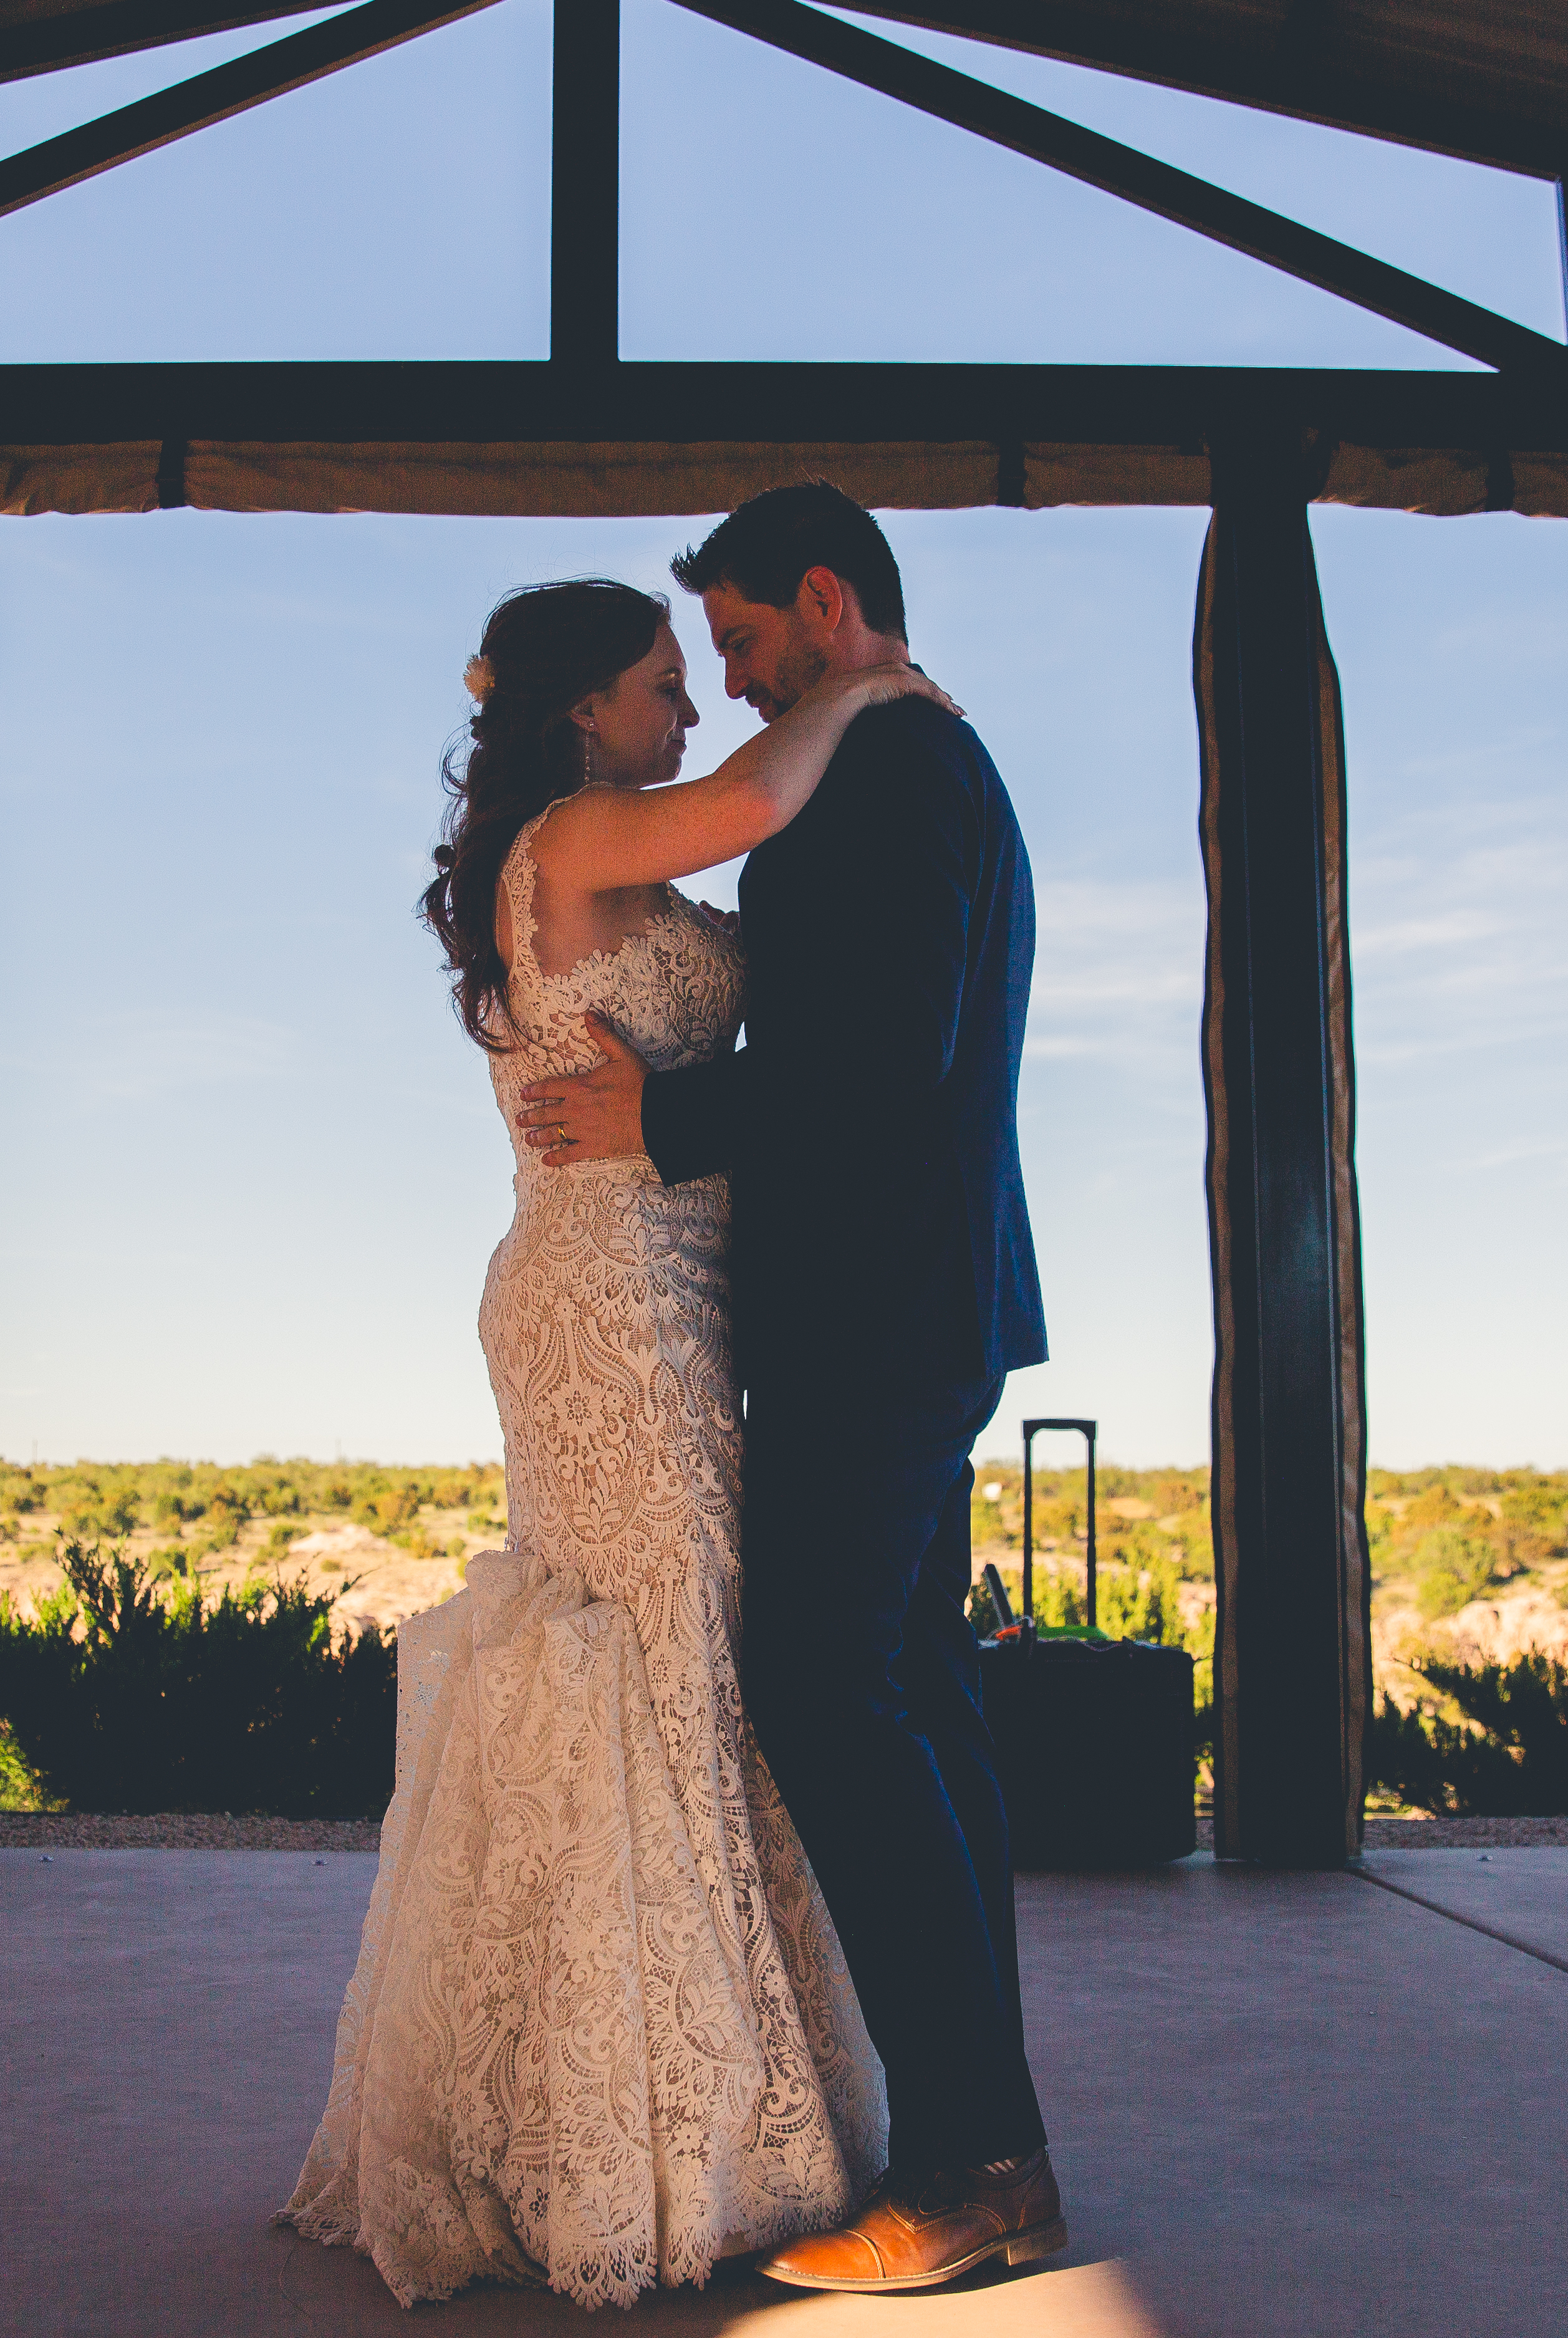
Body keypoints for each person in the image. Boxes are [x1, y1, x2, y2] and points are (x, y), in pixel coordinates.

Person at [282, 572, 963, 2308]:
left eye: (705, 676)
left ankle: (649, 2095)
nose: (695, 708)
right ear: (588, 708)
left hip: (663, 1281)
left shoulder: (608, 855)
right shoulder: (579, 829)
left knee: (684, 1663)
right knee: (669, 1657)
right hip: (610, 1298)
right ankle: (635, 2127)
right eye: (668, 681)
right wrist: (870, 691)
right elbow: (754, 798)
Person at [511, 482, 1060, 2295]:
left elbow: (870, 1053)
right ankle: (994, 2149)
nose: (736, 689)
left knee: (826, 1692)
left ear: (825, 602)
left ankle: (972, 2163)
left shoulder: (890, 775)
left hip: (871, 1308)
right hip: (917, 1297)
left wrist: (665, 1115)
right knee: (913, 1696)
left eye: (742, 644)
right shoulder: (916, 758)